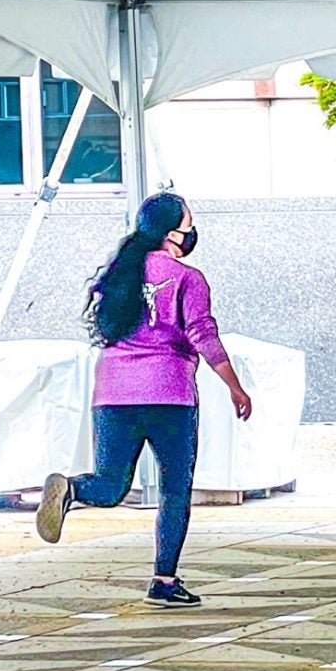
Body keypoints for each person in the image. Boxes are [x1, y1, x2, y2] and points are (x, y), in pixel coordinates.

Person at [34, 192, 252, 607]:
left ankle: (71, 490)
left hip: (113, 391)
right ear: (174, 233)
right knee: (174, 489)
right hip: (169, 394)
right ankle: (164, 581)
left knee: (110, 484)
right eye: (189, 222)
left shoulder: (121, 275)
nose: (192, 230)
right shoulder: (188, 278)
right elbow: (202, 334)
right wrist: (234, 386)